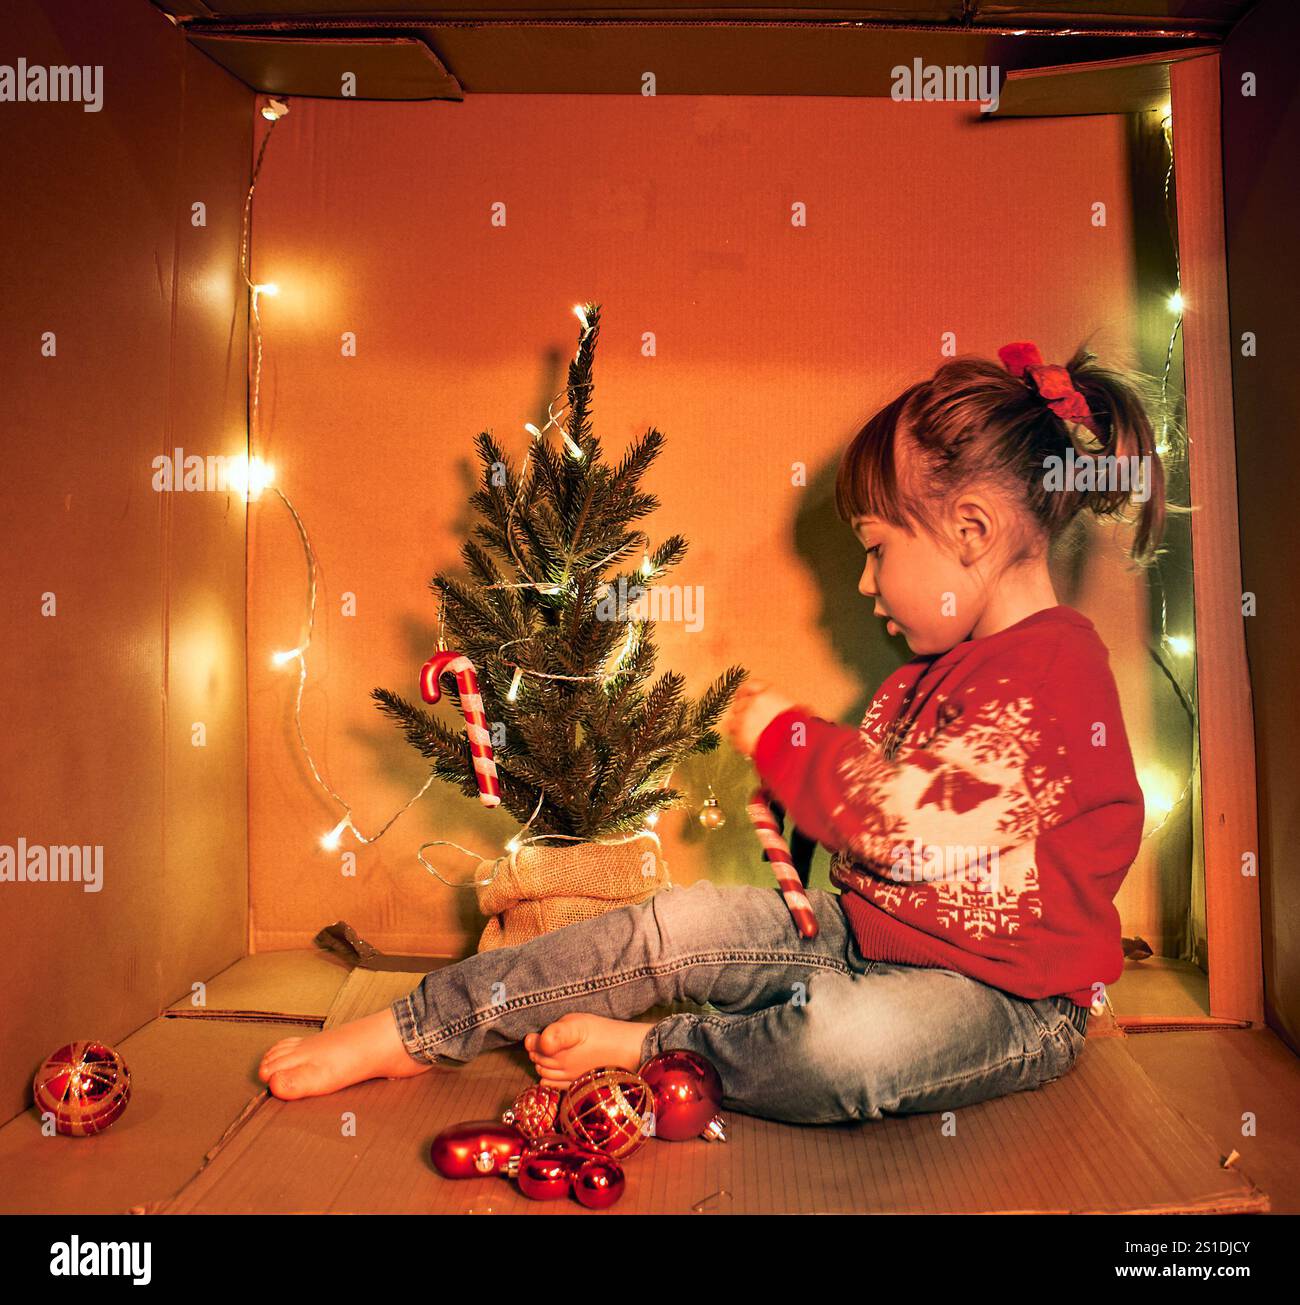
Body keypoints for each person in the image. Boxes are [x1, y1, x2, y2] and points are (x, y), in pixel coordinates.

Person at [258, 339, 1164, 1125]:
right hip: (864, 935)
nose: (863, 582)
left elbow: (910, 828)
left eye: (878, 546)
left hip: (1007, 998)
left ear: (970, 529)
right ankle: (421, 1026)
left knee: (841, 1045)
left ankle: (664, 1046)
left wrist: (791, 742)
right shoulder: (933, 675)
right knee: (673, 922)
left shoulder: (1053, 678)